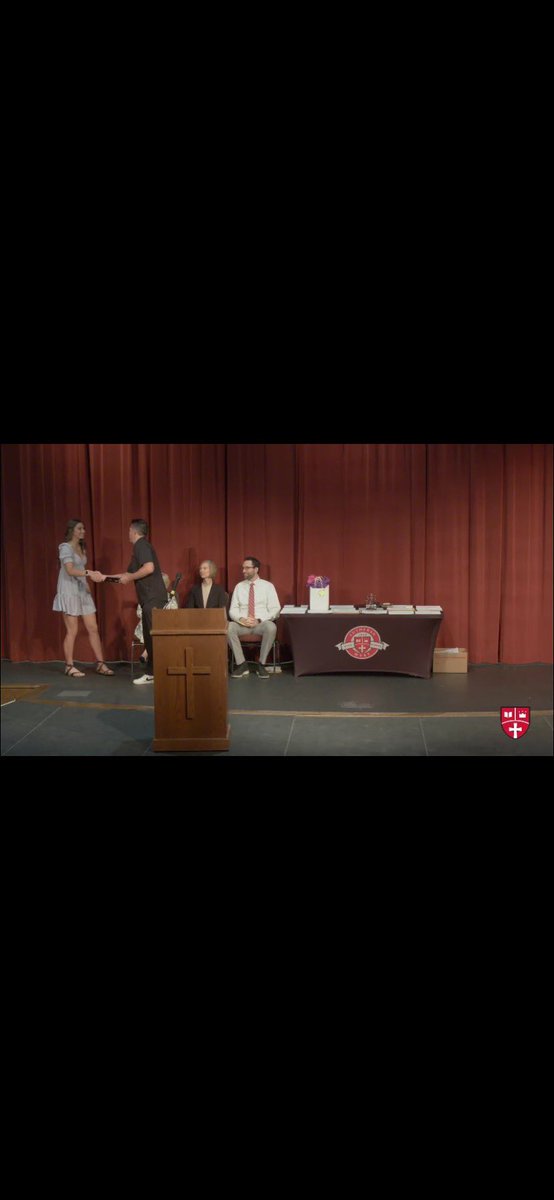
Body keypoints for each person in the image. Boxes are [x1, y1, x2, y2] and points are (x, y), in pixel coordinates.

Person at [52, 519, 114, 677]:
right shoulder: (65, 547)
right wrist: (89, 574)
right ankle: (69, 666)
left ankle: (100, 664)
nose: (83, 531)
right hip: (69, 590)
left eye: (84, 528)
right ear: (72, 530)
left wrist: (86, 581)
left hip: (81, 590)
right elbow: (70, 570)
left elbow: (81, 568)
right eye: (80, 528)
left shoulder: (82, 546)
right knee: (72, 630)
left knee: (93, 627)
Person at [117, 519, 168, 685]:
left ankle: (160, 671)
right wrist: (104, 577)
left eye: (129, 530)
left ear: (134, 531)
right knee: (149, 636)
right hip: (149, 599)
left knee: (154, 635)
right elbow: (127, 574)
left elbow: (149, 568)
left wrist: (130, 577)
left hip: (153, 597)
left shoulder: (141, 545)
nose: (128, 534)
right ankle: (153, 672)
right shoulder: (138, 548)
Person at [228, 556, 280, 679]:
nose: (243, 571)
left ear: (256, 569)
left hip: (260, 624)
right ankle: (241, 664)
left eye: (247, 568)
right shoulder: (239, 587)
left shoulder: (268, 586)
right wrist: (241, 619)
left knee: (271, 627)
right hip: (242, 624)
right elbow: (233, 609)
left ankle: (261, 664)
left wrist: (259, 619)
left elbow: (275, 609)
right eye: (243, 568)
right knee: (229, 627)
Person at [135, 573, 176, 665]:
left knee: (161, 627)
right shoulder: (146, 597)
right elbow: (139, 612)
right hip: (147, 625)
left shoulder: (170, 598)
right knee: (153, 627)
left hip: (164, 626)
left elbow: (174, 613)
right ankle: (156, 662)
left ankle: (146, 654)